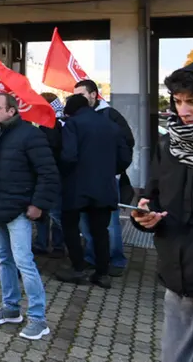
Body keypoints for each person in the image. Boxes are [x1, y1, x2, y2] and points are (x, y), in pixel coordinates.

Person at [132, 61, 193, 361]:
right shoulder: (168, 145)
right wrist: (145, 216)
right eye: (178, 101)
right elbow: (153, 197)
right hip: (177, 285)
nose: (183, 111)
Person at [0, 93, 59, 341]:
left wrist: (38, 204)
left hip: (18, 211)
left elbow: (48, 173)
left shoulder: (30, 136)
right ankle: (10, 308)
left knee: (25, 263)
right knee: (3, 260)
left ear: (12, 111)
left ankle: (38, 318)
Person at [55, 94, 132, 288]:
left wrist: (64, 174)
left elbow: (69, 156)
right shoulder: (111, 125)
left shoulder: (72, 125)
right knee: (100, 231)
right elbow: (124, 157)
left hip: (76, 186)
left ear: (71, 109)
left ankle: (78, 268)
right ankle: (102, 273)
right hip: (104, 186)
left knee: (70, 227)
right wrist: (108, 171)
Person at [74, 79, 133, 276]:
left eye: (81, 95)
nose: (78, 99)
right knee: (86, 222)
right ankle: (94, 258)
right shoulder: (78, 117)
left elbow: (127, 143)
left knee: (110, 223)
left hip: (107, 179)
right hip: (83, 180)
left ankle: (116, 260)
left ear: (93, 95)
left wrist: (113, 170)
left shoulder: (110, 115)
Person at [34, 92, 66, 258]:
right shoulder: (59, 121)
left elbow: (52, 149)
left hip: (52, 174)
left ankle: (53, 244)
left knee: (52, 211)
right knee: (48, 211)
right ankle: (48, 243)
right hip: (53, 173)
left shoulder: (51, 124)